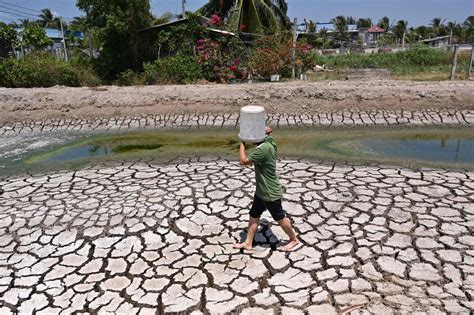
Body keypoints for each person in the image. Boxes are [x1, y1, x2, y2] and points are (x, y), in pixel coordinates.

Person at [233, 127, 300, 252]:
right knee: (254, 214)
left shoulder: (263, 149)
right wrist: (266, 131)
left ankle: (294, 239)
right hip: (261, 191)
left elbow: (243, 161)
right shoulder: (269, 142)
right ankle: (248, 242)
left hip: (270, 192)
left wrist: (242, 142)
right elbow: (269, 131)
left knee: (279, 217)